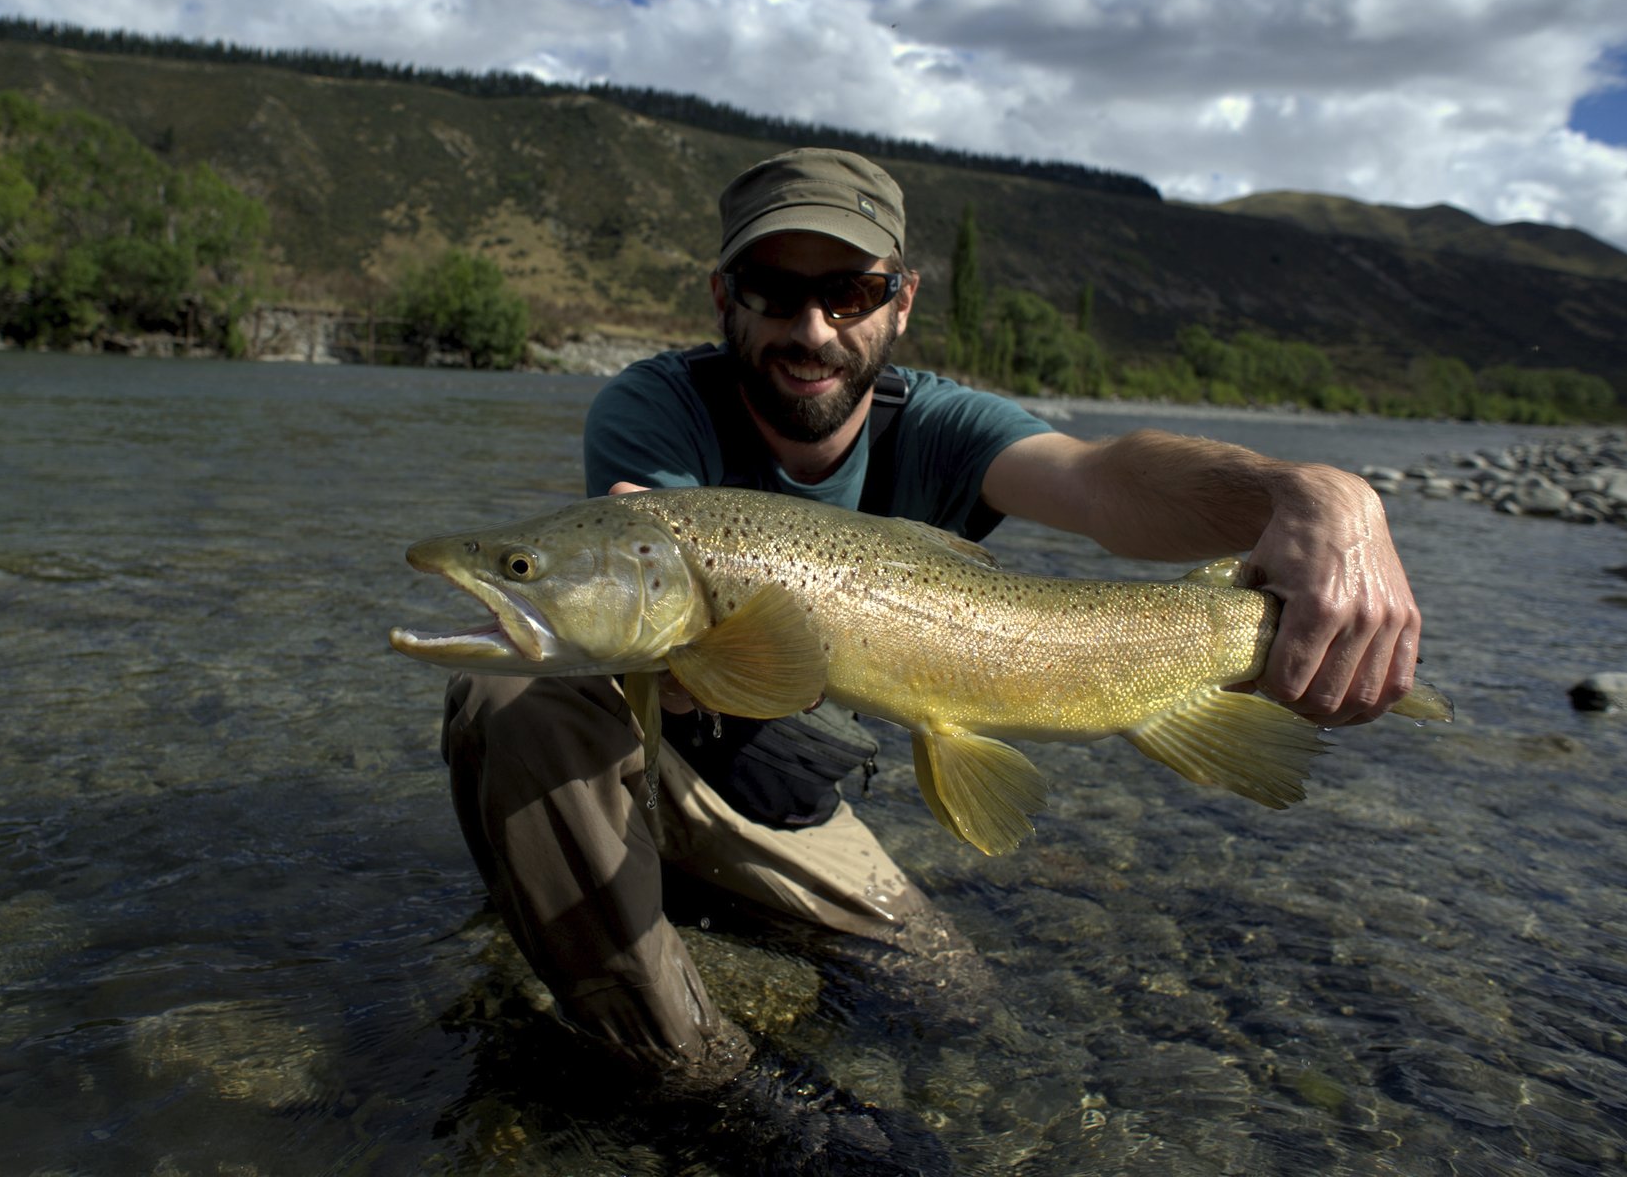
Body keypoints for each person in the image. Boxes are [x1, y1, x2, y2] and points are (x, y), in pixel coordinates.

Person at [440, 148, 1423, 1158]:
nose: (810, 327)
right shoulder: (653, 412)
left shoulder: (945, 422)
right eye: (773, 289)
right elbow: (618, 598)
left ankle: (647, 897)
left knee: (945, 1000)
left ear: (900, 300)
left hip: (774, 772)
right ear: (722, 296)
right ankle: (689, 1074)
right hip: (648, 741)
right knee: (512, 685)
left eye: (849, 290)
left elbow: (1104, 483)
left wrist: (1309, 496)